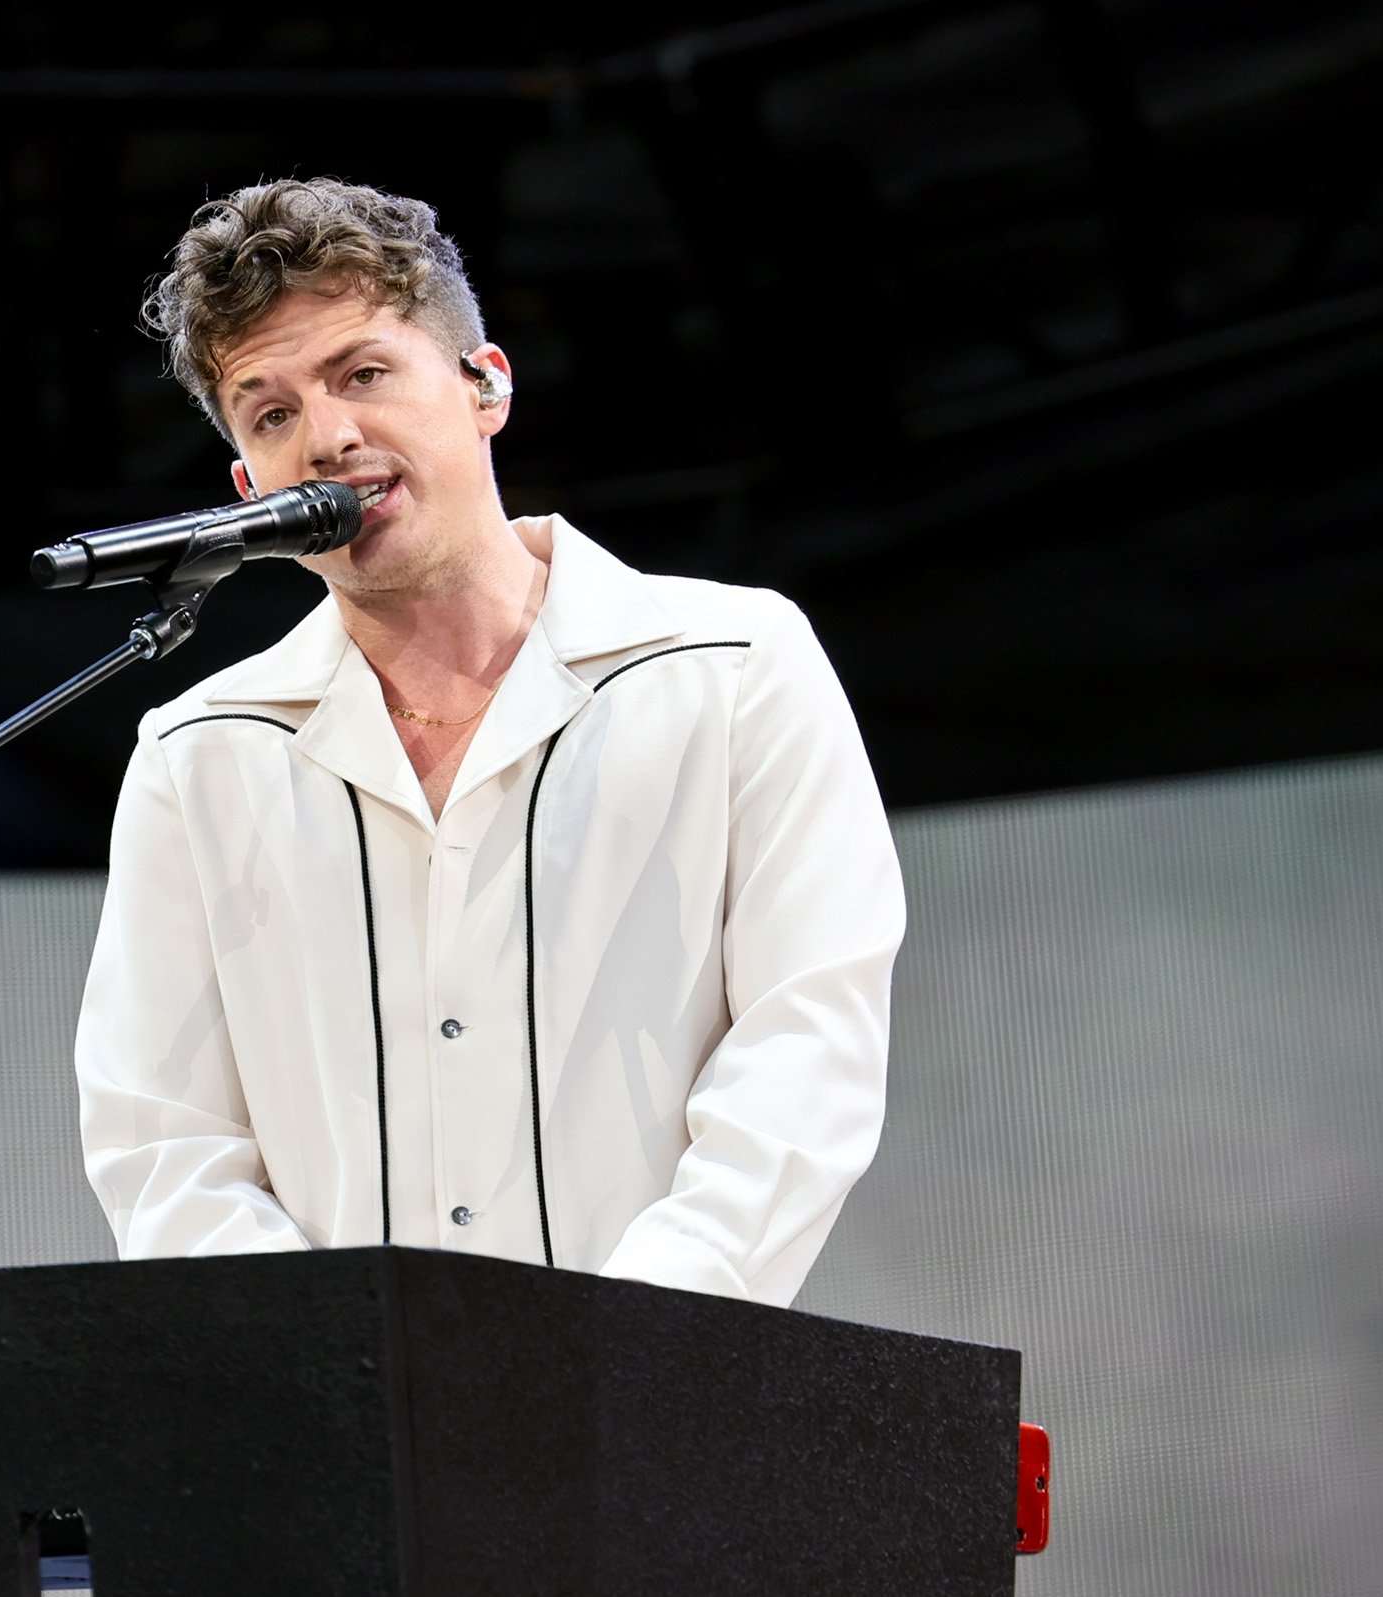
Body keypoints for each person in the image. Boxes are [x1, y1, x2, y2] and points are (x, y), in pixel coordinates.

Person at [74, 178, 904, 1308]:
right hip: (345, 1450)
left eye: (362, 373)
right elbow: (163, 1147)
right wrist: (336, 1387)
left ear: (485, 387)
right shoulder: (199, 755)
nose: (328, 436)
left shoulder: (735, 664)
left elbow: (806, 1059)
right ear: (243, 485)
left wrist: (626, 1350)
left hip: (665, 1408)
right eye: (270, 414)